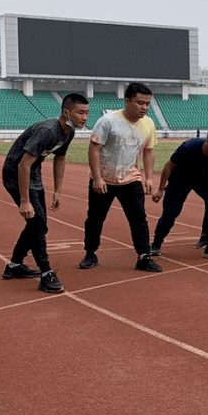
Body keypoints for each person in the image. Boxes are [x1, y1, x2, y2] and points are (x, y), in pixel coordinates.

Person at [1, 92, 90, 293]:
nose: (84, 117)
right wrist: (24, 201)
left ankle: (14, 266)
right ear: (67, 112)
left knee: (38, 224)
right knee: (38, 224)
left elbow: (59, 159)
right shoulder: (48, 131)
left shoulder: (69, 132)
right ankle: (46, 273)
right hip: (16, 174)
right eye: (80, 113)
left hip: (34, 175)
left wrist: (57, 191)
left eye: (87, 113)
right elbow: (23, 165)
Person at [78, 82, 161, 273]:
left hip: (131, 179)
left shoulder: (148, 124)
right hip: (104, 179)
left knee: (139, 218)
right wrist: (97, 178)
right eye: (140, 103)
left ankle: (143, 257)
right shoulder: (108, 121)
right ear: (127, 101)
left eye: (147, 104)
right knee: (95, 219)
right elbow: (94, 149)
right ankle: (90, 253)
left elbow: (149, 151)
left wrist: (148, 178)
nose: (145, 108)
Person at [151, 127, 208, 260]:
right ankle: (156, 243)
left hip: (203, 178)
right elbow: (168, 166)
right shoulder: (189, 147)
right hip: (180, 178)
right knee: (171, 213)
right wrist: (161, 189)